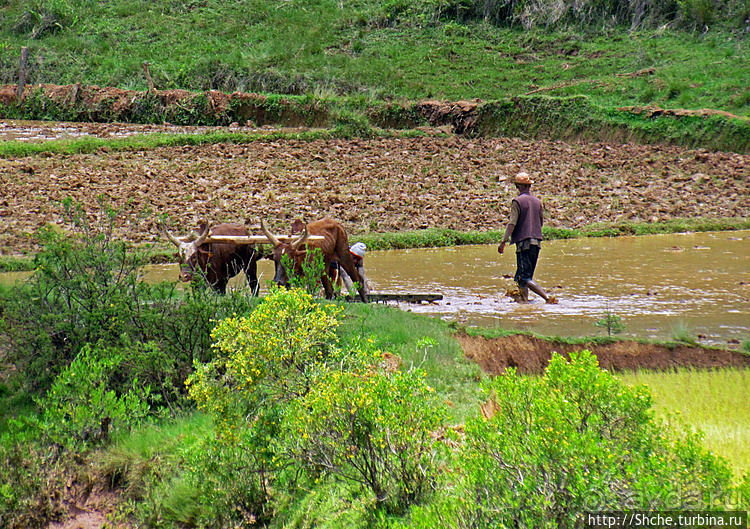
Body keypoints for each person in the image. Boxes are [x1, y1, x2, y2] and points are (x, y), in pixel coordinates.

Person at [497, 172, 556, 303]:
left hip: (524, 243)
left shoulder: (517, 201)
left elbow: (512, 223)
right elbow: (540, 222)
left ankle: (547, 298)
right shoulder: (537, 202)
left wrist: (503, 242)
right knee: (522, 277)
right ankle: (525, 302)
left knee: (523, 277)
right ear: (529, 186)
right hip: (536, 242)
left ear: (518, 186)